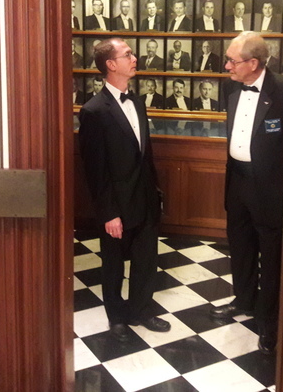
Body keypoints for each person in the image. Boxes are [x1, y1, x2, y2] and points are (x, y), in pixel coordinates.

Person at [78, 38, 171, 343]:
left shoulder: (138, 103)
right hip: (116, 204)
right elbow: (95, 170)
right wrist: (109, 213)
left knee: (146, 259)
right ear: (110, 64)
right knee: (114, 263)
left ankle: (141, 311)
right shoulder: (93, 111)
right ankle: (116, 317)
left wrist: (156, 194)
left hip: (145, 199)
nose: (134, 58)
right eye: (127, 54)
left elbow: (146, 156)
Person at [210, 31, 283, 356]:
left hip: (269, 188)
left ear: (253, 63)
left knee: (270, 256)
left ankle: (269, 321)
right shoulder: (231, 87)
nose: (227, 66)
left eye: (232, 60)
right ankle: (243, 300)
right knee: (240, 245)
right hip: (238, 181)